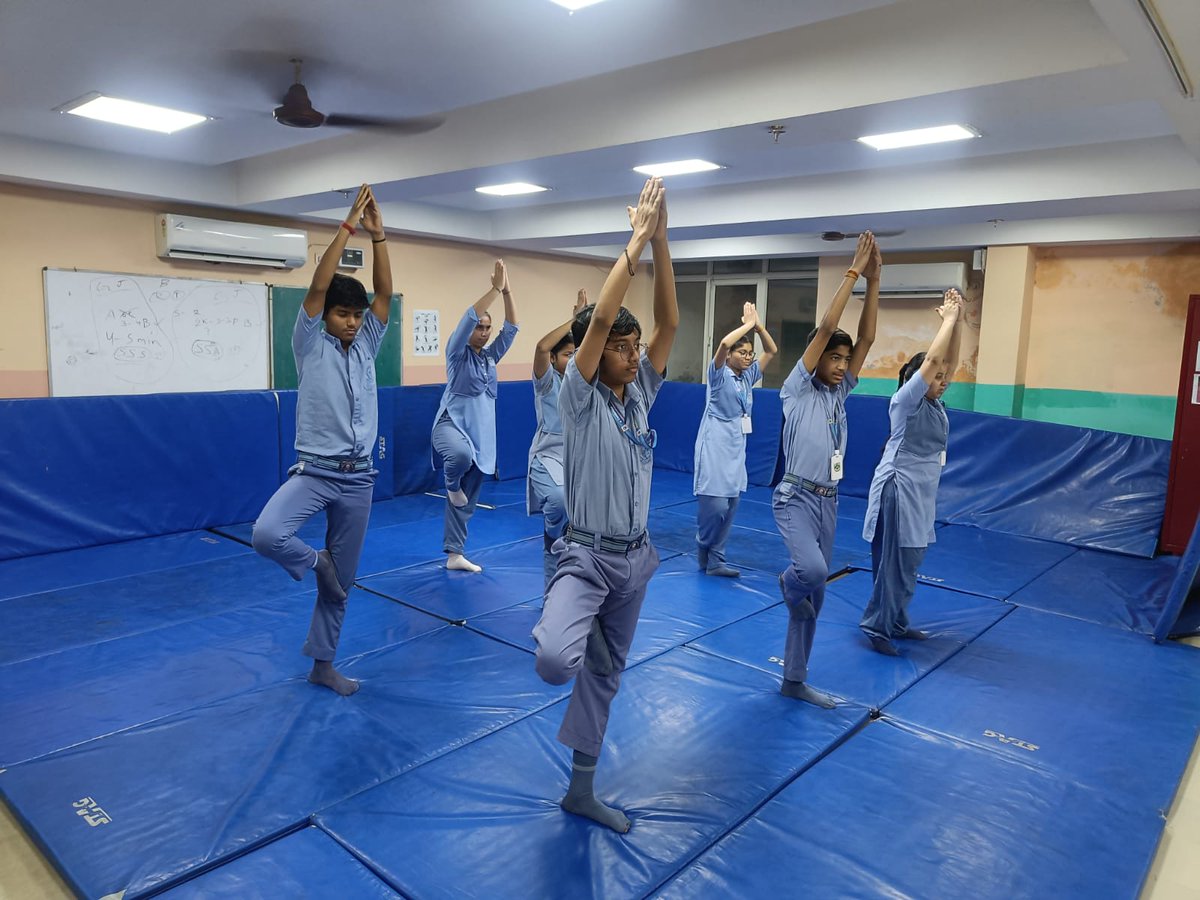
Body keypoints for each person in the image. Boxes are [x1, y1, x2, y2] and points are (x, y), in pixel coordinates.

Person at [532, 177, 676, 833]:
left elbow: (670, 321)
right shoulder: (580, 395)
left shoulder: (638, 394)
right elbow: (594, 337)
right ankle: (562, 601)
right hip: (587, 555)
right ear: (596, 352)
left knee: (605, 676)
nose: (632, 353)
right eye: (620, 346)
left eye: (633, 345)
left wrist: (664, 242)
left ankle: (580, 791)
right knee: (555, 662)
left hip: (635, 560)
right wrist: (636, 241)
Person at [251, 184, 392, 697]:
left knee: (342, 586)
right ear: (325, 314)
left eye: (356, 316)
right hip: (316, 471)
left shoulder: (368, 344)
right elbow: (318, 285)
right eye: (343, 314)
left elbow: (382, 295)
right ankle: (318, 562)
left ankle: (323, 664)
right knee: (268, 534)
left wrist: (380, 239)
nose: (353, 323)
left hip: (359, 480)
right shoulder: (309, 342)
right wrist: (348, 228)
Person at [773, 232, 881, 708]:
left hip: (828, 502)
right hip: (795, 496)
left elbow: (869, 337)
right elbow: (824, 330)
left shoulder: (840, 394)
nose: (839, 365)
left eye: (843, 359)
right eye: (832, 359)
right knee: (811, 573)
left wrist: (876, 280)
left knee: (814, 601)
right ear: (816, 361)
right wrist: (853, 273)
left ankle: (794, 680)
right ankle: (787, 582)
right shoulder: (797, 389)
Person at [860, 289, 964, 654]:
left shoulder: (937, 406)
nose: (944, 379)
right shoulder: (905, 401)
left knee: (910, 559)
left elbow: (947, 359)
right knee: (892, 561)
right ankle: (877, 627)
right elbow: (936, 358)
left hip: (921, 494)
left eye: (946, 376)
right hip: (898, 489)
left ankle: (898, 620)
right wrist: (946, 322)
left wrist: (959, 321)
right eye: (937, 377)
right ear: (919, 378)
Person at [431, 260, 519, 572]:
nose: (482, 332)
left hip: (481, 435)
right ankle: (450, 482)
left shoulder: (490, 358)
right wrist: (494, 289)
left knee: (466, 500)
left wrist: (508, 292)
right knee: (458, 455)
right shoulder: (457, 353)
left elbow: (512, 330)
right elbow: (467, 318)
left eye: (486, 328)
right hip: (451, 426)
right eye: (478, 327)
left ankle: (455, 554)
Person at [693, 301, 777, 577]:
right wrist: (747, 325)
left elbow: (772, 350)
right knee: (715, 505)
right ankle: (703, 543)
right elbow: (722, 345)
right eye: (742, 352)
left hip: (736, 444)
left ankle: (716, 559)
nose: (748, 357)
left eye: (750, 353)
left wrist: (759, 326)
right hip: (715, 443)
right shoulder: (718, 375)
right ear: (730, 356)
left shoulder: (747, 377)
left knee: (731, 504)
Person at [528, 288, 589, 591]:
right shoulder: (547, 381)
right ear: (554, 359)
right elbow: (540, 347)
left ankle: (570, 588)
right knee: (558, 501)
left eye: (577, 353)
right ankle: (552, 534)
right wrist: (574, 319)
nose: (574, 359)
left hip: (577, 459)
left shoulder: (584, 383)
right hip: (548, 457)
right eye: (567, 354)